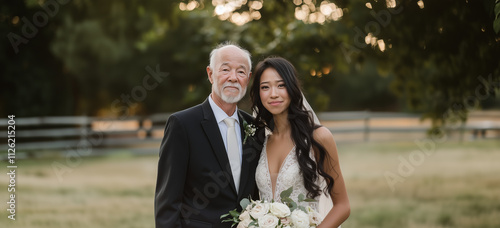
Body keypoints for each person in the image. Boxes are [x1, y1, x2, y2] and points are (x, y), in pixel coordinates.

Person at [155, 42, 263, 228]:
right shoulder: (182, 124)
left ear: (249, 78)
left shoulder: (255, 127)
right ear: (210, 74)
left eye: (241, 71)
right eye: (225, 69)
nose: (233, 78)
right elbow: (168, 201)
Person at [250, 57, 350, 227]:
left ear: (292, 88)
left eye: (281, 85)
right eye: (265, 87)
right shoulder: (259, 142)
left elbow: (343, 206)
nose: (273, 93)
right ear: (259, 94)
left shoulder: (318, 137)